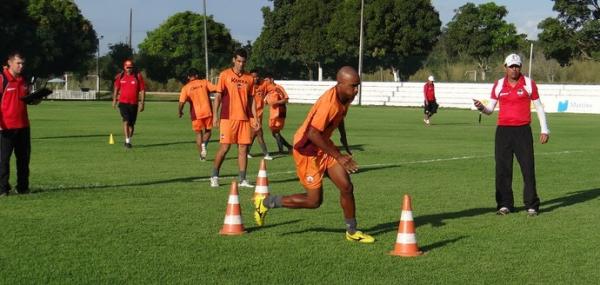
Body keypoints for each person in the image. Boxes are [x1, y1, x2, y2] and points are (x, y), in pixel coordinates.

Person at [253, 66, 375, 243]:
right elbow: (312, 134)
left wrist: (343, 138)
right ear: (339, 84)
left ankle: (352, 231)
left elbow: (339, 117)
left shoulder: (345, 96)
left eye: (358, 86)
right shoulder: (329, 104)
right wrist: (339, 156)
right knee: (314, 201)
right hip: (307, 150)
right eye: (353, 86)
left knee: (346, 187)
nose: (356, 90)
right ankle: (265, 203)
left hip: (324, 146)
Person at [473, 53, 550, 216]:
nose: (514, 69)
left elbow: (539, 107)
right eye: (511, 66)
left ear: (520, 67)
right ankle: (505, 204)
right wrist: (481, 107)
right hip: (503, 132)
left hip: (523, 131)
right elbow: (490, 110)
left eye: (517, 66)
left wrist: (545, 129)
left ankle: (532, 205)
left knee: (528, 168)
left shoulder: (529, 83)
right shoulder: (499, 84)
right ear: (505, 67)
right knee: (502, 169)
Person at [210, 49, 259, 188]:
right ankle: (214, 175)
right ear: (233, 60)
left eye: (243, 62)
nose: (241, 64)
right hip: (227, 118)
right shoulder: (225, 75)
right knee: (225, 148)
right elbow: (218, 97)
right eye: (238, 61)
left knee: (243, 149)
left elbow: (251, 100)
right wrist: (215, 116)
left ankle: (242, 179)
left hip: (244, 119)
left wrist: (255, 117)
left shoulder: (249, 78)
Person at [0, 52, 41, 196]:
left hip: (23, 126)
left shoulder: (23, 80)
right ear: (10, 62)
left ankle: (23, 187)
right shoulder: (2, 79)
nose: (21, 66)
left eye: (23, 63)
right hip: (5, 127)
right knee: (3, 160)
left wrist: (35, 100)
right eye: (18, 63)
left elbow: (26, 100)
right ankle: (2, 189)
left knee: (23, 159)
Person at [178, 68, 216, 160]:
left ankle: (202, 157)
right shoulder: (204, 82)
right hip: (207, 111)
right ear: (197, 75)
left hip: (196, 114)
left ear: (188, 77)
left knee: (198, 134)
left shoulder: (186, 88)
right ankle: (204, 144)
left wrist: (180, 111)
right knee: (208, 131)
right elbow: (216, 89)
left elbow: (181, 102)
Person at [112, 59, 145, 149]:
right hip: (123, 103)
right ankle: (127, 142)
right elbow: (116, 88)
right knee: (125, 121)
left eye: (130, 67)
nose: (129, 69)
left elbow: (142, 90)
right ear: (124, 67)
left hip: (134, 104)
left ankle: (129, 139)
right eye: (127, 67)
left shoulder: (138, 76)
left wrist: (142, 103)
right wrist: (114, 100)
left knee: (131, 125)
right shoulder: (121, 76)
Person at [246, 69, 273, 160]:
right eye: (253, 77)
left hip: (259, 114)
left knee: (254, 134)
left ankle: (246, 151)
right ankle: (266, 154)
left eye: (256, 76)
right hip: (252, 114)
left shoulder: (263, 84)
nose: (255, 78)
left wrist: (271, 82)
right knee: (259, 133)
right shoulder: (248, 86)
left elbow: (273, 88)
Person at [264, 74, 293, 154]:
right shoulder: (268, 89)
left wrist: (276, 102)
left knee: (275, 132)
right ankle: (287, 148)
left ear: (272, 79)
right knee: (274, 132)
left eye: (267, 80)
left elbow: (286, 99)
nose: (265, 82)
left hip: (279, 111)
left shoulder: (278, 88)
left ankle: (284, 149)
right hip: (273, 112)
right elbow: (267, 100)